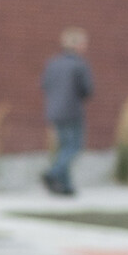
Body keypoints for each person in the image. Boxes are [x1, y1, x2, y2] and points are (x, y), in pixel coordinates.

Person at [41, 28, 94, 196]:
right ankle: (53, 173)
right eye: (83, 43)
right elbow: (87, 90)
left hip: (54, 111)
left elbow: (44, 84)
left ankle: (65, 187)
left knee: (64, 148)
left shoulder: (53, 63)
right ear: (77, 45)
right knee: (74, 147)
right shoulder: (79, 65)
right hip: (72, 111)